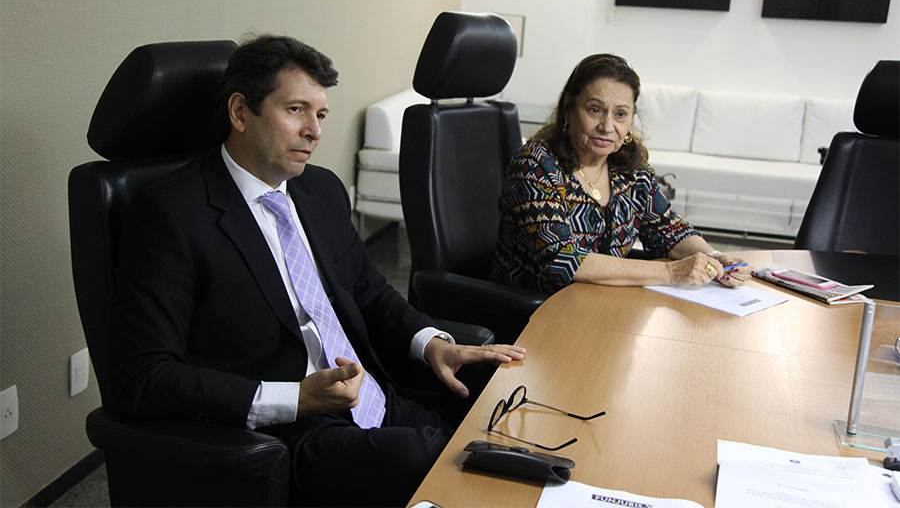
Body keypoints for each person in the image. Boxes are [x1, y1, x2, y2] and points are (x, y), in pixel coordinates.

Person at [111, 34, 525, 506]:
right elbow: (142, 376)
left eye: (321, 114)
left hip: (371, 397)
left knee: (496, 423)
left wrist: (432, 344)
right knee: (449, 465)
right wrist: (295, 398)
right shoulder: (171, 213)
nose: (315, 131)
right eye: (296, 110)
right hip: (285, 434)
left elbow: (370, 293)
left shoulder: (320, 190)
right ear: (241, 112)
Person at [491, 53, 750, 294]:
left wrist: (714, 258)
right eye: (595, 110)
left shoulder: (630, 168)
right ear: (569, 109)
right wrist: (670, 272)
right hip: (539, 311)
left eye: (620, 114)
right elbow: (563, 260)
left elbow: (667, 229)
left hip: (606, 303)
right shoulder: (536, 165)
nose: (607, 126)